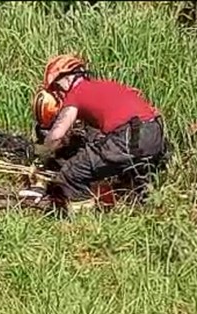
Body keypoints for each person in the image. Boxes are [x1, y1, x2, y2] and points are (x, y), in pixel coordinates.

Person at [36, 54, 168, 212]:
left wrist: (42, 153)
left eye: (57, 87)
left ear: (68, 79)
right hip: (154, 133)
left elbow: (57, 134)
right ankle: (146, 213)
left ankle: (85, 222)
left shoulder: (77, 93)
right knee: (134, 182)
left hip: (129, 136)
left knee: (73, 173)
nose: (57, 93)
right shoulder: (107, 86)